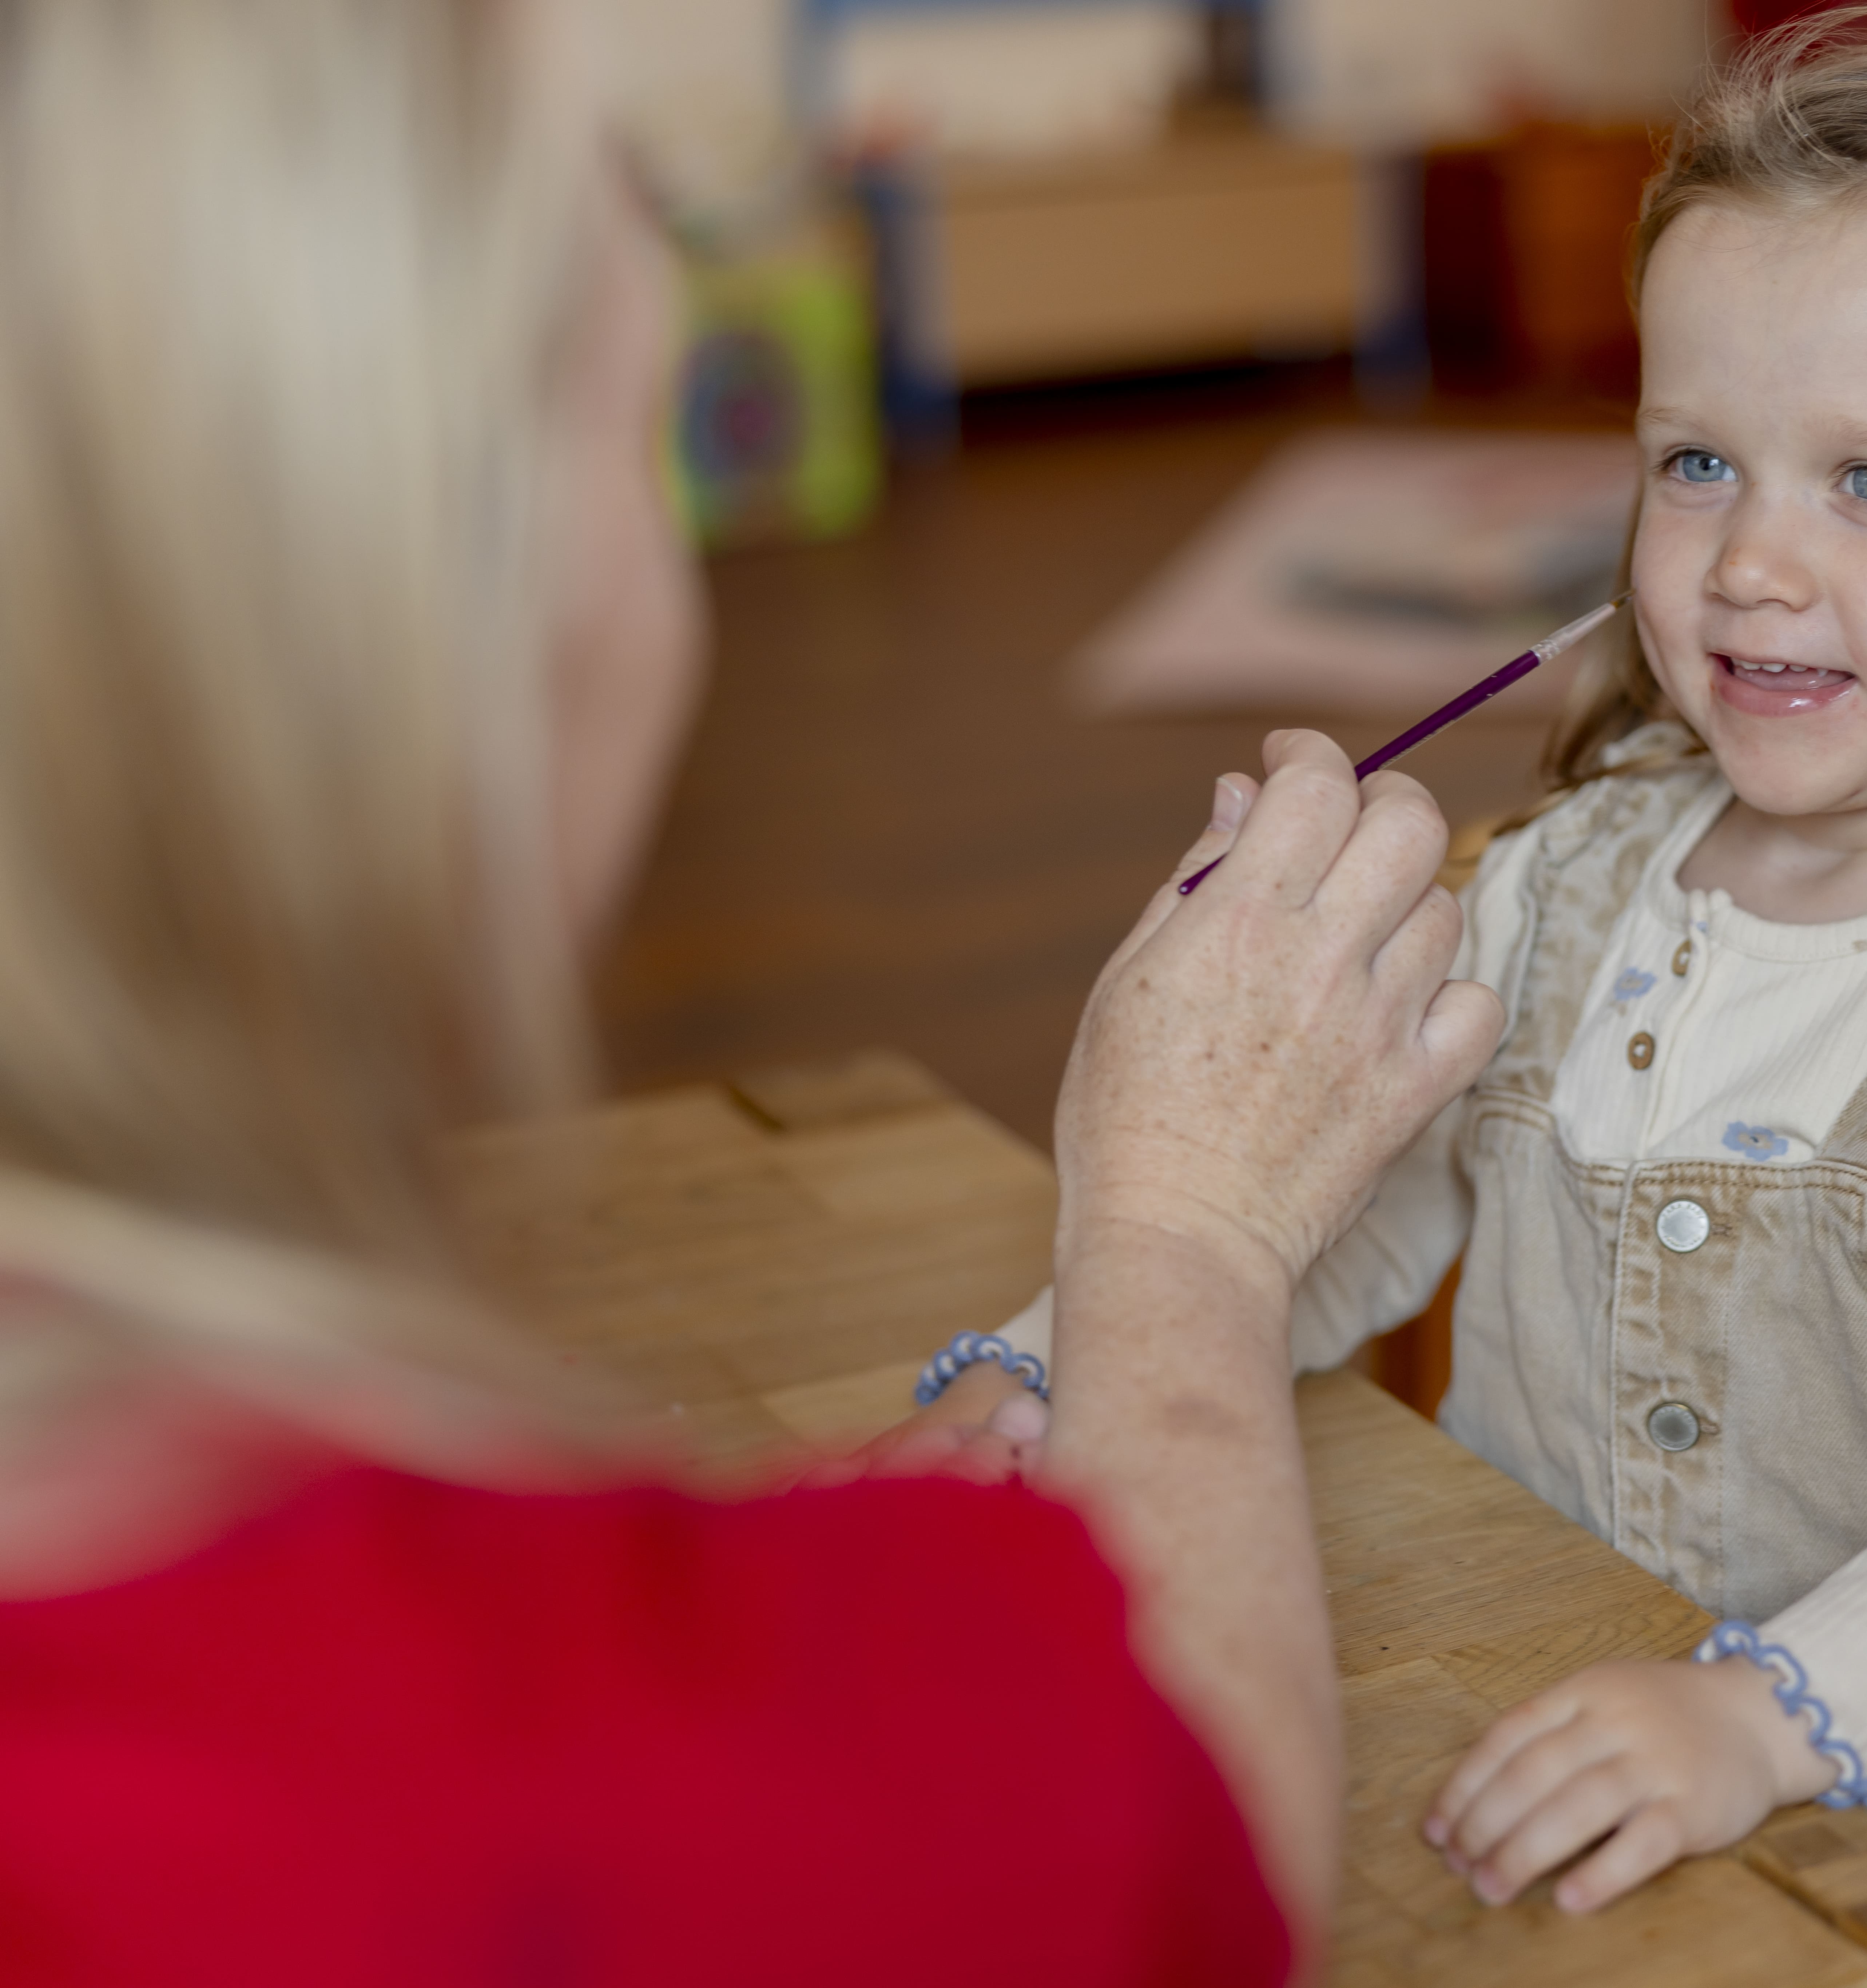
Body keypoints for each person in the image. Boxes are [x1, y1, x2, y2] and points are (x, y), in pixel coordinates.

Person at [0, 3, 1498, 1981]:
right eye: (647, 422)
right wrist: (1188, 1230)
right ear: (438, 606)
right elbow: (1172, 1833)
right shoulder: (480, 1754)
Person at [932, 21, 1867, 1984]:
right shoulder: (1566, 881)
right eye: (1696, 460)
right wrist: (1068, 1358)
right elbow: (1336, 1208)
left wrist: (1768, 1717)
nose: (1751, 562)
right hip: (1554, 1753)